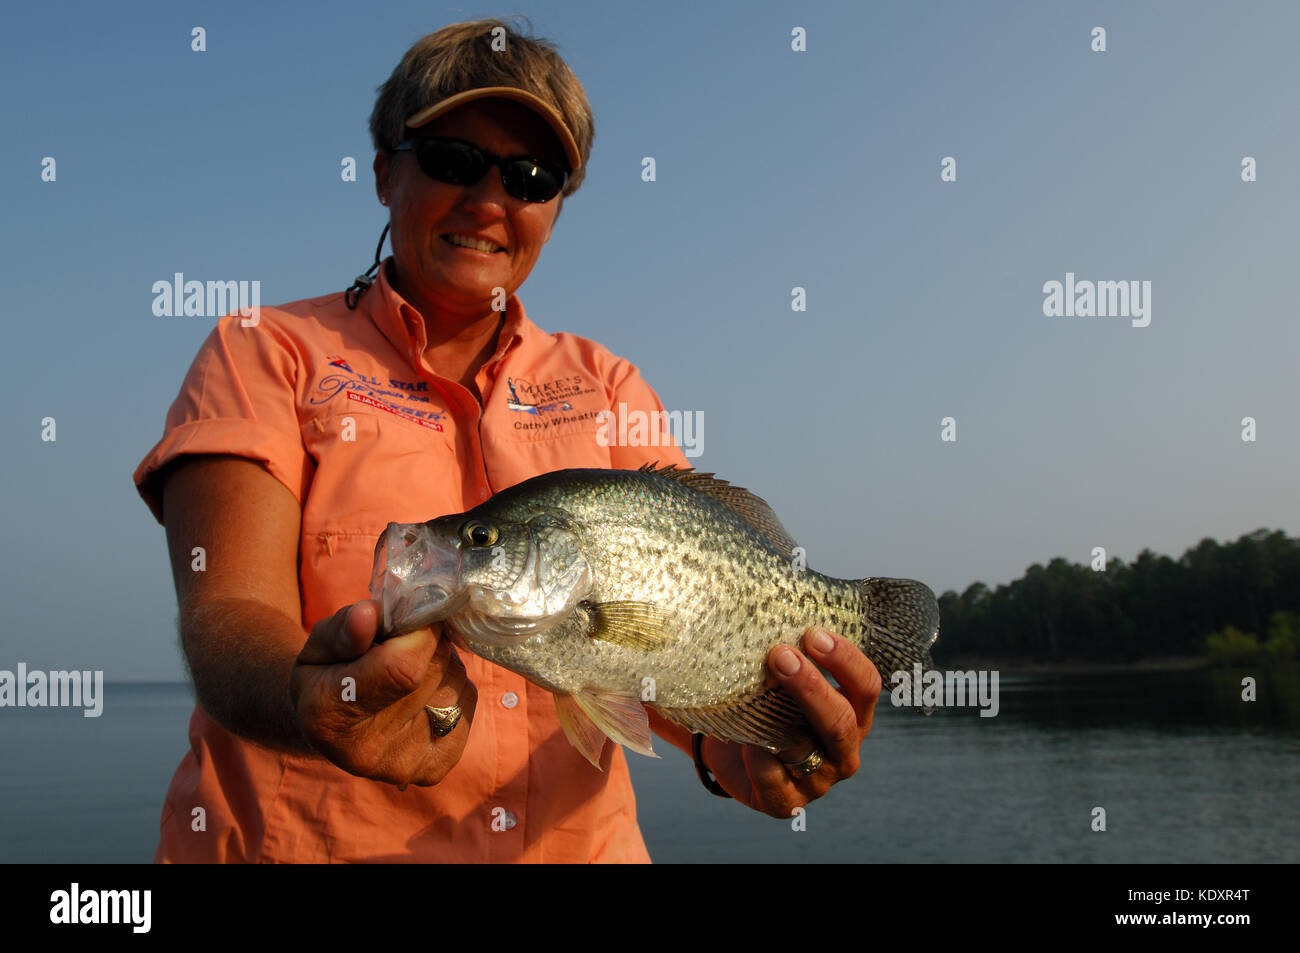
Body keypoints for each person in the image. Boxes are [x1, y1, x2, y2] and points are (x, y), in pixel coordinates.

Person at [133, 18, 882, 863]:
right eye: (454, 159)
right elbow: (228, 614)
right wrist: (304, 699)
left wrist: (730, 746)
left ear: (555, 210)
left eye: (532, 176)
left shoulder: (610, 387)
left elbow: (660, 645)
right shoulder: (265, 353)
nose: (489, 200)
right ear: (383, 171)